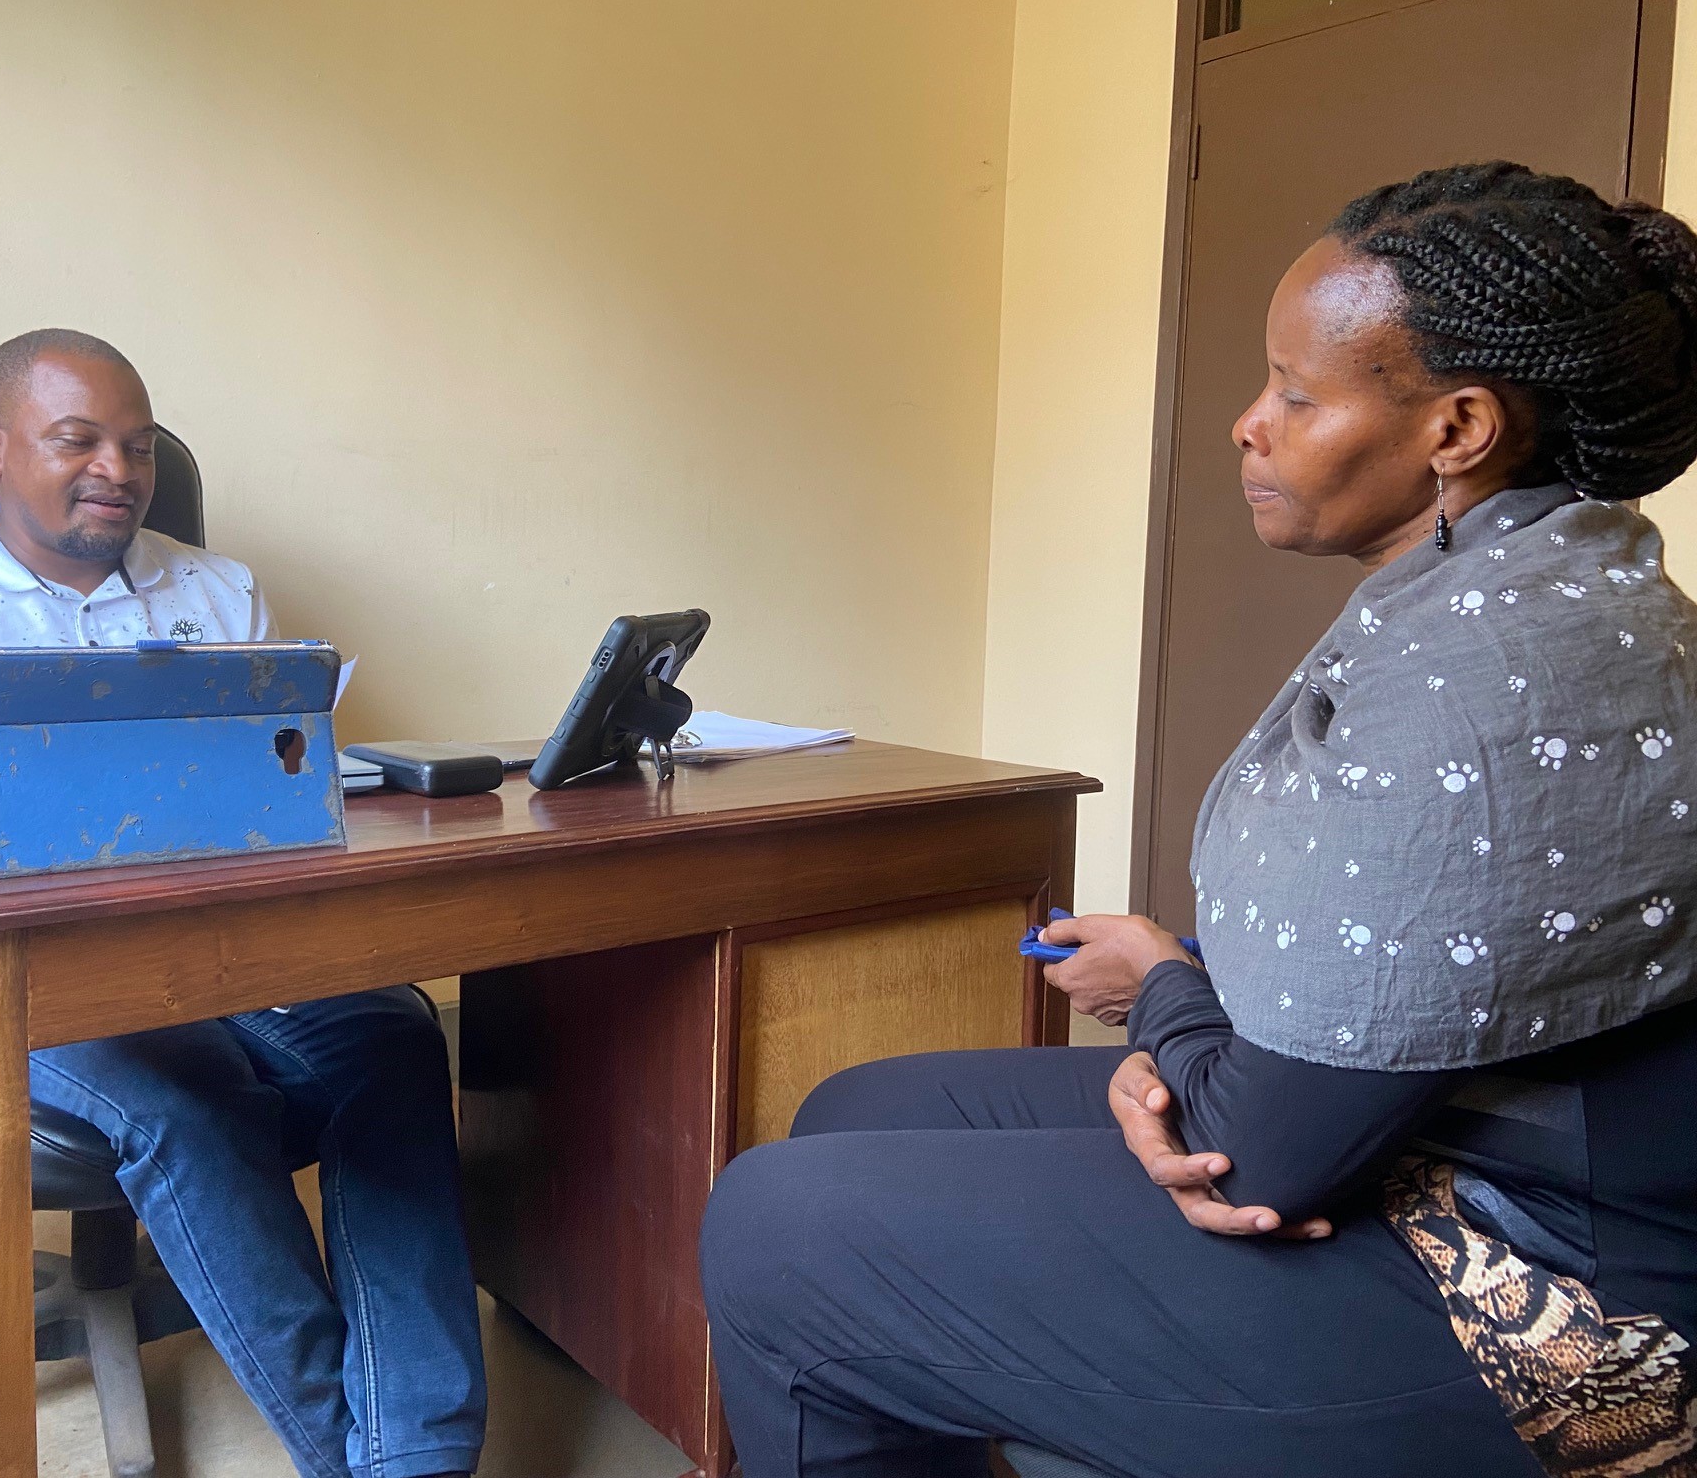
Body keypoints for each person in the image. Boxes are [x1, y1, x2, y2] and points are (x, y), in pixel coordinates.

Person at [699, 164, 1697, 1478]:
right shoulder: (1541, 591)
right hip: (1443, 1132)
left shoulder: (1500, 678)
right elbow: (1441, 955)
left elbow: (1256, 1159)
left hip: (1557, 1298)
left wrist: (1166, 999)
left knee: (776, 1227)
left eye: (1297, 394)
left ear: (1458, 428)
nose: (1249, 425)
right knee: (863, 1106)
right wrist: (1183, 1007)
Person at [0, 329, 485, 1478]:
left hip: (234, 951)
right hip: (22, 979)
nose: (117, 471)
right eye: (77, 441)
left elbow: (273, 781)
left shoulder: (216, 590)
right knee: (191, 1097)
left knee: (396, 1038)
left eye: (137, 447)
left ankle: (423, 1447)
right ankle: (361, 1457)